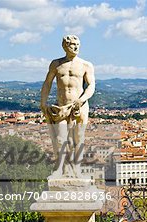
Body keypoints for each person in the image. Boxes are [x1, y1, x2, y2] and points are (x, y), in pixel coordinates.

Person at [40, 35, 95, 179]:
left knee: (78, 138)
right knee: (60, 138)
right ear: (65, 46)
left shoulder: (86, 65)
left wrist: (82, 99)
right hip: (62, 107)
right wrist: (43, 102)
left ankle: (76, 169)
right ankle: (60, 169)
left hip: (79, 105)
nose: (76, 47)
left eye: (78, 44)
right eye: (72, 45)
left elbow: (91, 86)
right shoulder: (56, 64)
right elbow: (47, 83)